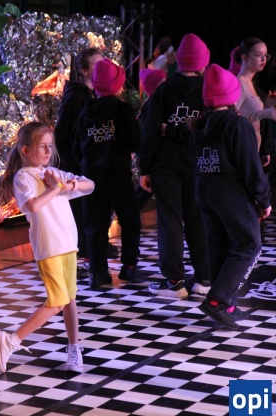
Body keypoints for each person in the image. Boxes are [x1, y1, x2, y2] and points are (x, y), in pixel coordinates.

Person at [0, 121, 94, 373]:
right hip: (48, 247)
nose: (49, 151)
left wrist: (68, 185)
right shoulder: (23, 177)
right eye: (43, 146)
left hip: (68, 244)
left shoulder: (54, 174)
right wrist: (57, 188)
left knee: (69, 299)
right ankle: (12, 339)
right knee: (57, 301)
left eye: (50, 146)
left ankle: (74, 348)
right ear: (26, 150)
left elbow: (90, 185)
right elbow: (32, 206)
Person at [192, 64, 271, 329]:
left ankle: (227, 305)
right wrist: (263, 200)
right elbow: (251, 166)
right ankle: (217, 301)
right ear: (231, 95)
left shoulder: (199, 125)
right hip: (231, 192)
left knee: (220, 246)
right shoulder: (237, 125)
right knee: (249, 244)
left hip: (205, 189)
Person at [139, 33, 211, 298]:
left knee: (170, 221)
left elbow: (150, 132)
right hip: (200, 164)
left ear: (178, 61)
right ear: (203, 62)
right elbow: (207, 131)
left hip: (165, 165)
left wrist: (145, 168)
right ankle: (204, 278)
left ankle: (174, 282)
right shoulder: (208, 91)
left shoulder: (164, 90)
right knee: (198, 220)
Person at [75, 58, 145, 289]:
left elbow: (77, 145)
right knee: (130, 220)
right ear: (118, 84)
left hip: (90, 175)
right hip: (117, 172)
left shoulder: (86, 109)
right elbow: (135, 141)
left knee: (94, 225)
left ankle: (98, 272)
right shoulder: (123, 109)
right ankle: (129, 267)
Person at [53, 47, 118, 275]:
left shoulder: (90, 96)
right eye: (96, 64)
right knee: (82, 215)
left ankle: (94, 250)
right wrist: (77, 164)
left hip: (86, 166)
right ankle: (84, 257)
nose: (102, 68)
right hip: (77, 168)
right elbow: (64, 134)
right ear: (83, 70)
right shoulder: (76, 97)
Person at [235, 37, 275, 165]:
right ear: (244, 57)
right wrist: (265, 113)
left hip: (254, 143)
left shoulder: (251, 83)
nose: (264, 60)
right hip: (243, 147)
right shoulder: (238, 84)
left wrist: (271, 102)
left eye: (265, 55)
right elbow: (233, 119)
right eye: (258, 55)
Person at [136, 68, 167, 210]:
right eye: (162, 83)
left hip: (153, 156)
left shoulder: (152, 104)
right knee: (145, 189)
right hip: (154, 156)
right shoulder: (152, 106)